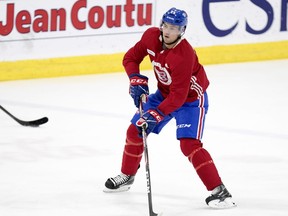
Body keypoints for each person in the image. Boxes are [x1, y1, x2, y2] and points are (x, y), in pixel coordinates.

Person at [103, 7, 236, 209]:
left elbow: (179, 96)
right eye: (165, 25)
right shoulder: (151, 36)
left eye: (173, 27)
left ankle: (221, 192)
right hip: (165, 95)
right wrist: (135, 79)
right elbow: (130, 58)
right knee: (134, 131)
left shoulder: (184, 55)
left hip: (190, 100)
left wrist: (156, 114)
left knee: (189, 145)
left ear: (182, 30)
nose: (167, 30)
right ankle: (127, 176)